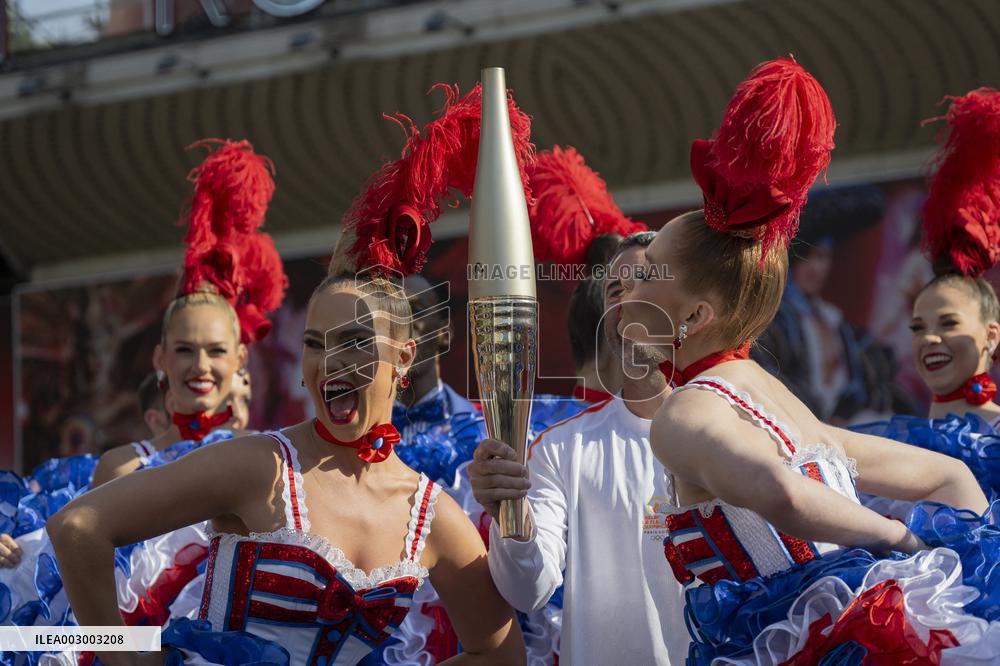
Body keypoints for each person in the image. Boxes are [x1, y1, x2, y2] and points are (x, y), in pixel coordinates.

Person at [619, 58, 997, 663]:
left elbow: (781, 493)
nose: (627, 291)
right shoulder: (778, 400)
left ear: (696, 315)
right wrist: (966, 580)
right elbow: (951, 477)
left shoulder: (687, 411)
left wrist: (898, 540)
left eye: (648, 276)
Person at [49, 272, 526, 666]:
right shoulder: (261, 465)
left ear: (403, 357)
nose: (330, 363)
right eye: (315, 344)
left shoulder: (429, 513)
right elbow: (78, 527)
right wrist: (122, 659)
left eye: (355, 342)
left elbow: (501, 655)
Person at [469, 230, 689, 665]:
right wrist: (512, 516)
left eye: (642, 280)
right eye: (614, 289)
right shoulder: (562, 448)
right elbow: (529, 591)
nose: (625, 298)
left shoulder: (736, 432)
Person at [853, 88, 1000, 502]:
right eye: (918, 327)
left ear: (991, 335)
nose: (930, 338)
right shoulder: (896, 443)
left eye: (948, 323)